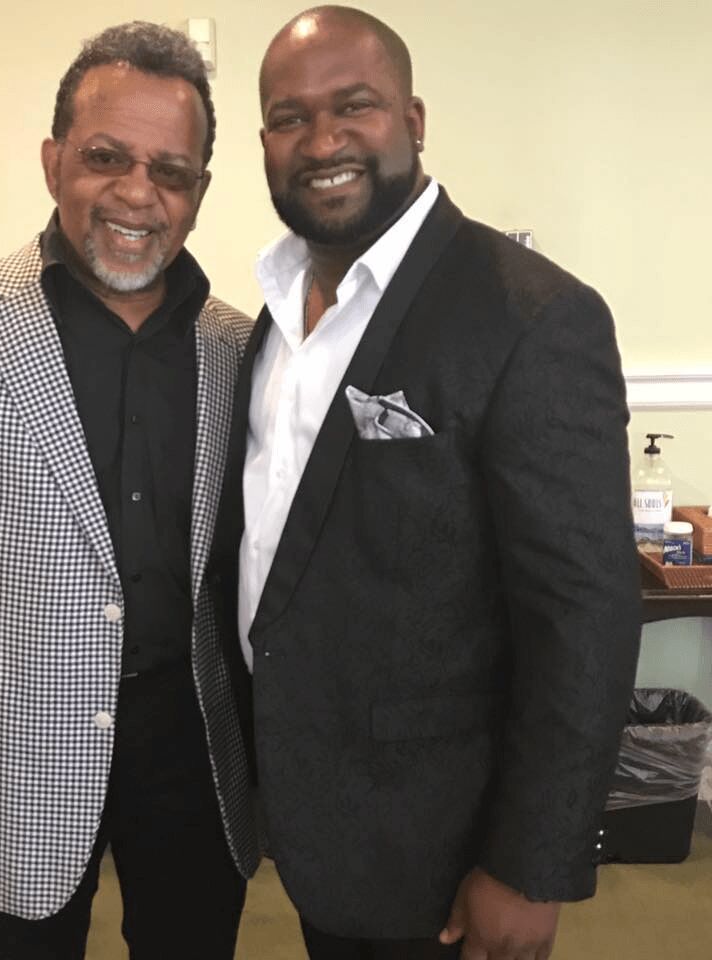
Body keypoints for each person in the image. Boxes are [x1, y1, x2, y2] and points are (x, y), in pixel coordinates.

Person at [212, 6, 641, 959]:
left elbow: (585, 615)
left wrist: (532, 862)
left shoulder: (533, 315)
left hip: (444, 843)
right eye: (289, 117)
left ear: (412, 120)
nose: (322, 140)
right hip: (314, 814)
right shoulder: (271, 318)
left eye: (353, 105)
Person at [0, 21, 259, 960]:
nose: (137, 193)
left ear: (198, 192)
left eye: (170, 171)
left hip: (195, 753)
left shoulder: (242, 347)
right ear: (53, 159)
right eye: (106, 157)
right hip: (10, 758)